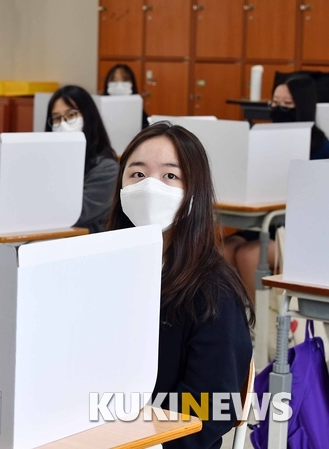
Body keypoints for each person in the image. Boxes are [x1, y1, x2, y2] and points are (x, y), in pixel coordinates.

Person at [107, 121, 253, 449]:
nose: (149, 186)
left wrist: (139, 439)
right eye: (137, 174)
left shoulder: (214, 292)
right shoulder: (99, 269)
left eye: (170, 176)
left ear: (193, 194)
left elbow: (213, 405)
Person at [224, 74, 329, 299]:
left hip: (300, 232)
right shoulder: (261, 139)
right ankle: (232, 319)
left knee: (249, 256)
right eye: (275, 103)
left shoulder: (321, 148)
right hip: (263, 223)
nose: (279, 109)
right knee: (222, 251)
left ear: (302, 107)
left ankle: (258, 327)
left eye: (287, 105)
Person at [45, 85, 118, 233]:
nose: (63, 124)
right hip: (49, 237)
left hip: (86, 245)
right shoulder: (47, 161)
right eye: (57, 118)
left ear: (88, 117)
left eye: (71, 115)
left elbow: (75, 215)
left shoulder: (107, 168)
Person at [103, 64, 149, 129]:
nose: (119, 85)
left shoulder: (139, 113)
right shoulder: (98, 110)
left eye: (124, 80)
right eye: (114, 80)